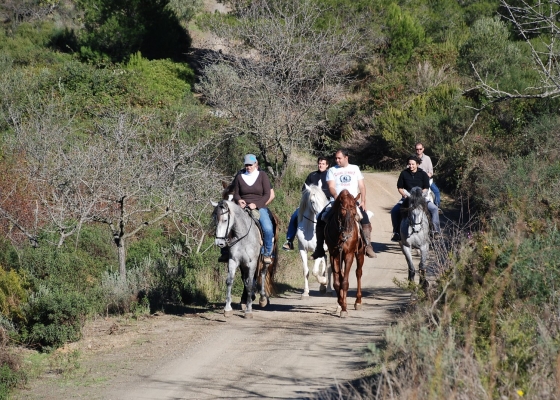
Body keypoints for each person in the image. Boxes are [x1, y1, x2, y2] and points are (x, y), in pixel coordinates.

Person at [311, 149, 376, 259]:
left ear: (346, 157)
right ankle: (319, 248)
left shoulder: (355, 168)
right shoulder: (332, 170)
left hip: (352, 202)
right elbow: (331, 186)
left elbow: (361, 186)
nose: (337, 160)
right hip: (336, 202)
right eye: (336, 158)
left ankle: (368, 245)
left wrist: (363, 201)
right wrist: (336, 197)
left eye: (339, 158)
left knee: (364, 219)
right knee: (322, 218)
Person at [232, 154, 275, 264]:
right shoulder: (239, 176)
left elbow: (267, 194)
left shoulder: (262, 175)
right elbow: (236, 193)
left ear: (256, 164)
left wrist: (256, 204)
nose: (248, 167)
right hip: (243, 206)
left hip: (259, 207)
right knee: (227, 223)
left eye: (250, 165)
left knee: (268, 228)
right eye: (246, 165)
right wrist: (239, 200)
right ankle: (226, 252)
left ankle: (267, 253)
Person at [282, 156, 331, 251]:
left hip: (325, 202)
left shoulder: (330, 176)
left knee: (333, 216)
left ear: (327, 165)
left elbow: (333, 189)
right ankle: (289, 240)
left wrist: (321, 195)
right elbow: (304, 190)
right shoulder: (311, 175)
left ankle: (333, 240)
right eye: (319, 163)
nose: (320, 165)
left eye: (323, 164)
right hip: (310, 203)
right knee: (295, 215)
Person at [390, 155, 441, 242]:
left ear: (417, 164)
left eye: (413, 164)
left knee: (434, 209)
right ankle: (397, 232)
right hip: (407, 197)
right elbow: (400, 187)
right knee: (394, 211)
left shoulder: (423, 174)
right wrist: (404, 195)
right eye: (409, 164)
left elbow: (426, 187)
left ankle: (435, 231)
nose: (411, 166)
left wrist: (421, 194)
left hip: (420, 197)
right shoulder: (404, 173)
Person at [415, 142, 441, 208]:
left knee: (436, 191)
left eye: (420, 149)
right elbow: (408, 169)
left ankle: (437, 206)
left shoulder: (427, 158)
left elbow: (431, 170)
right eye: (417, 149)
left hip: (427, 180)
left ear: (423, 149)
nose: (419, 150)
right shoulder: (412, 158)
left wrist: (429, 174)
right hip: (415, 180)